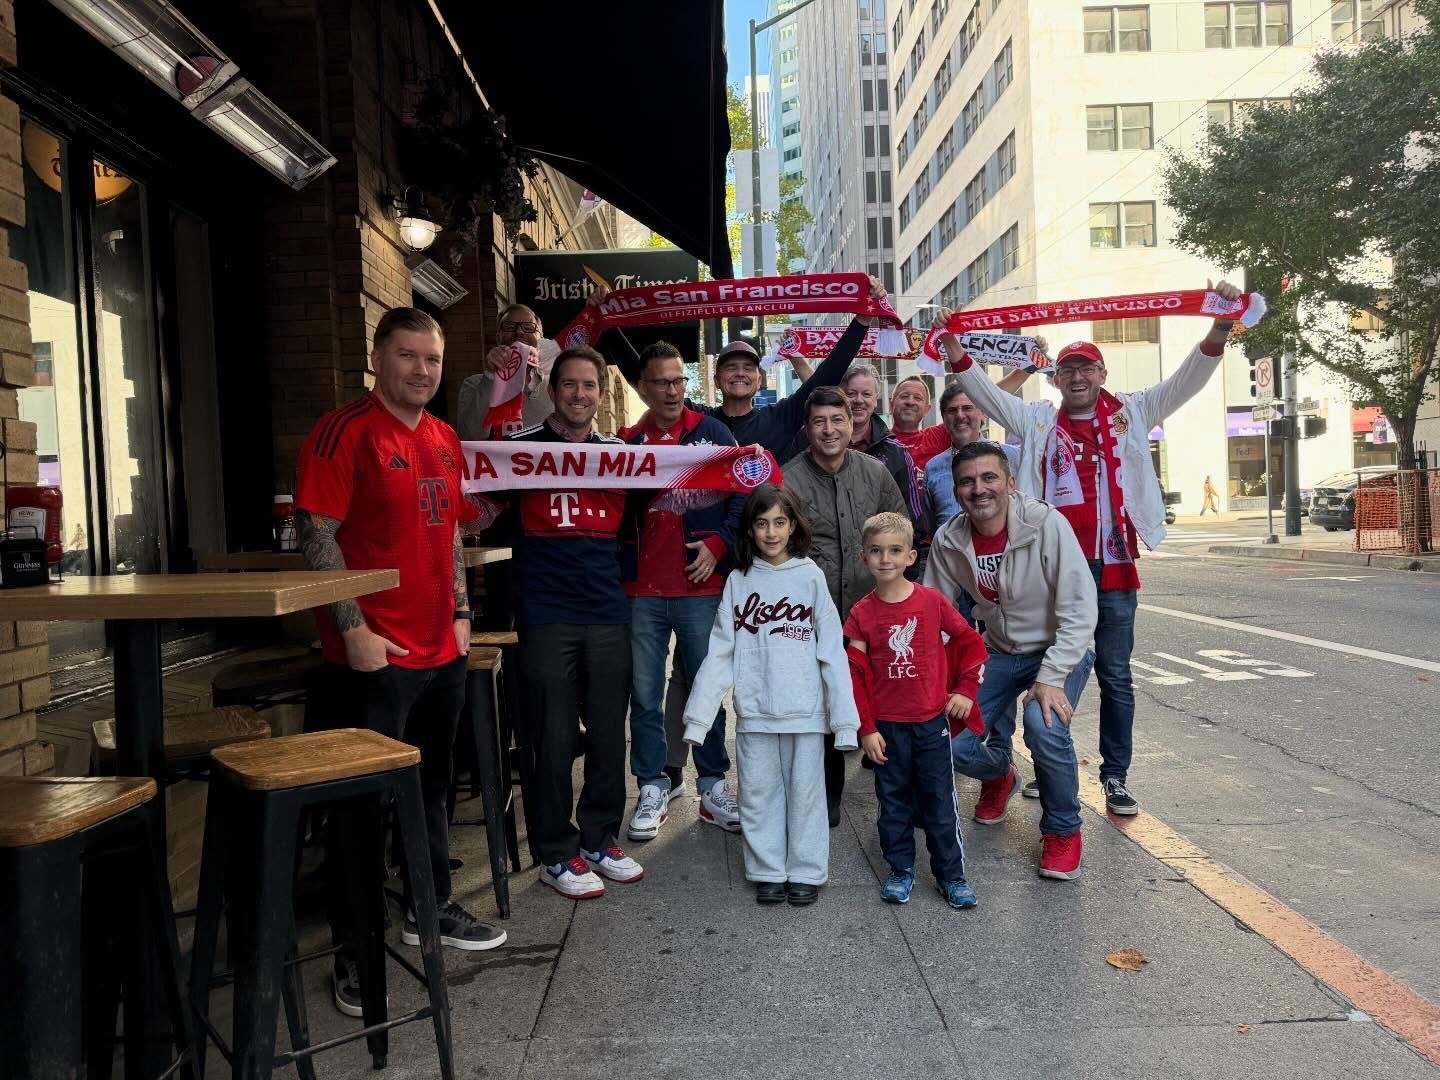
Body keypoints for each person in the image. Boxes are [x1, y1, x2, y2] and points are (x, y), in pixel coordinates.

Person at [936, 281, 1243, 816]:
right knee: (1046, 669)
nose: (1077, 377)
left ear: (1102, 375)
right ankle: (1048, 762)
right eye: (1068, 370)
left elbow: (1191, 376)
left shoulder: (1134, 410)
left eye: (1087, 369)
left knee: (1116, 675)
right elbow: (983, 393)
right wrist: (954, 345)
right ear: (1055, 379)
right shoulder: (1035, 420)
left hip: (1112, 566)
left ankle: (1115, 776)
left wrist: (1220, 325)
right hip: (1046, 572)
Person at [295, 306, 506, 1018]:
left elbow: (447, 532)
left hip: (437, 647)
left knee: (434, 787)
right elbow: (316, 535)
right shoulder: (342, 431)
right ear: (378, 357)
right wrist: (350, 627)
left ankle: (429, 905)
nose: (422, 370)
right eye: (409, 356)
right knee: (361, 811)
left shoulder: (445, 437)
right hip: (371, 654)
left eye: (433, 360)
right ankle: (356, 949)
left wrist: (460, 614)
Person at [500, 346, 642, 899]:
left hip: (607, 608)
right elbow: (481, 502)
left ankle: (599, 837)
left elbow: (668, 491)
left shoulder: (620, 455)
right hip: (545, 611)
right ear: (553, 389)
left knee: (609, 732)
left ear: (601, 396)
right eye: (569, 385)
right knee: (552, 736)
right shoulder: (518, 451)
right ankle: (554, 851)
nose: (579, 394)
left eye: (589, 386)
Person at [924, 443, 1097, 880]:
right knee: (942, 735)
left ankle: (1062, 829)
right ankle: (999, 774)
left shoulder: (1045, 524)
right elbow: (935, 614)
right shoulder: (950, 538)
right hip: (999, 649)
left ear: (1010, 483)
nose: (978, 489)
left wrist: (1053, 676)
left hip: (1058, 649)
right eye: (967, 481)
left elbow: (1079, 607)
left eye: (989, 478)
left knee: (1044, 726)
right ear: (957, 489)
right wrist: (932, 680)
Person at [682, 485, 860, 906]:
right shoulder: (739, 581)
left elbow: (832, 650)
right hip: (757, 712)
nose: (771, 532)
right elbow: (721, 652)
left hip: (805, 711)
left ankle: (806, 870)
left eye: (780, 522)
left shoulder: (810, 576)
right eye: (761, 523)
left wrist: (845, 721)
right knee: (758, 793)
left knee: (807, 794)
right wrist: (699, 718)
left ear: (794, 525)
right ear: (750, 529)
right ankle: (767, 870)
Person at [619, 341, 744, 841]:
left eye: (679, 381)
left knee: (707, 691)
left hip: (700, 588)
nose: (672, 390)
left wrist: (719, 543)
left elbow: (745, 495)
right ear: (643, 387)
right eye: (662, 382)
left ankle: (713, 786)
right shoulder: (626, 443)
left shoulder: (712, 433)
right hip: (641, 589)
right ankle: (653, 784)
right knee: (645, 696)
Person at [844, 512, 987, 909]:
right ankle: (900, 869)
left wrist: (965, 690)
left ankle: (952, 875)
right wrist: (867, 729)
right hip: (887, 730)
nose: (885, 559)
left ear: (911, 556)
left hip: (930, 725)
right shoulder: (861, 614)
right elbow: (854, 676)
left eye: (894, 551)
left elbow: (972, 644)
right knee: (892, 803)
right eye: (876, 551)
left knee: (940, 802)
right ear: (863, 557)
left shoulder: (932, 602)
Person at [783, 387, 908, 827]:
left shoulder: (874, 474)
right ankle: (827, 795)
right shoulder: (787, 480)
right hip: (812, 616)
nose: (830, 430)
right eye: (820, 422)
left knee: (887, 700)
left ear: (852, 424)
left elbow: (901, 529)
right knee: (823, 707)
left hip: (873, 610)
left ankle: (898, 793)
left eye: (838, 420)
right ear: (807, 429)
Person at [599, 274, 889, 457]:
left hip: (768, 541)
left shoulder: (781, 418)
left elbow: (827, 376)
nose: (739, 373)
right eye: (730, 367)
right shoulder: (696, 419)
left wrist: (861, 321)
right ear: (716, 380)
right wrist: (608, 324)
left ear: (759, 380)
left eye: (748, 368)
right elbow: (647, 380)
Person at [891, 368, 1031, 474]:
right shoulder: (877, 441)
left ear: (928, 409)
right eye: (904, 396)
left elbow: (988, 401)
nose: (910, 402)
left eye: (918, 398)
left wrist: (1028, 368)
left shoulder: (937, 436)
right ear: (891, 405)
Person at [924, 383, 1022, 532]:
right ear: (944, 418)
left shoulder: (1013, 457)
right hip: (951, 552)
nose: (960, 415)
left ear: (983, 413)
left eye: (967, 408)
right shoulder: (933, 467)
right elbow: (932, 525)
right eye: (952, 410)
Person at [456, 303, 551, 439]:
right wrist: (490, 377)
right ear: (498, 336)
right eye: (510, 327)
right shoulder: (475, 384)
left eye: (529, 327)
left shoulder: (557, 385)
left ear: (540, 338)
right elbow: (469, 437)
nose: (519, 332)